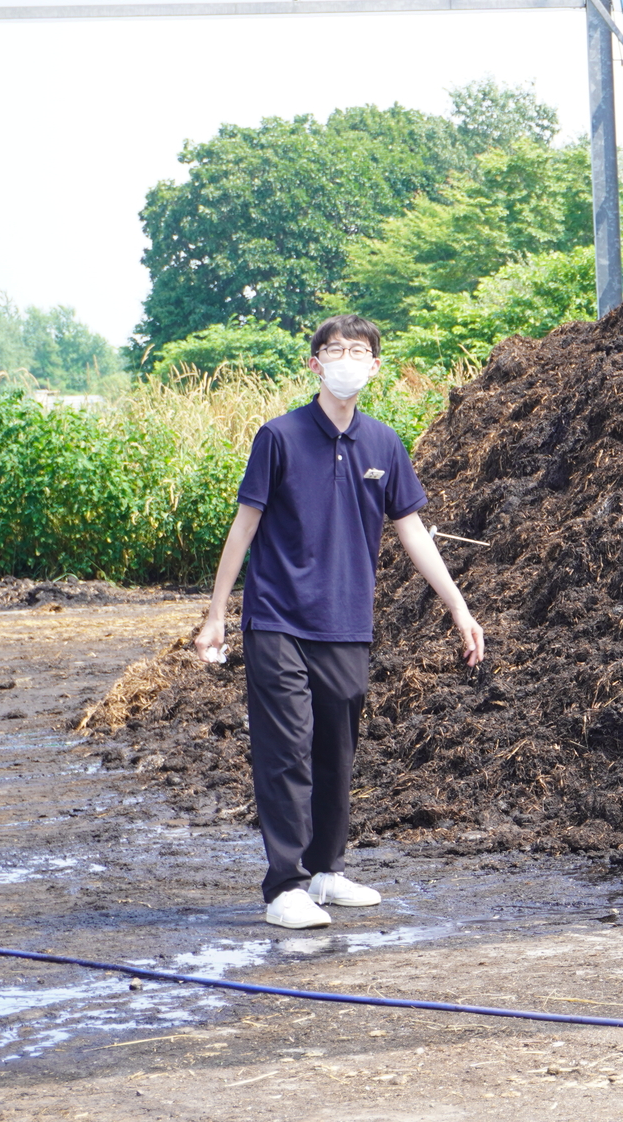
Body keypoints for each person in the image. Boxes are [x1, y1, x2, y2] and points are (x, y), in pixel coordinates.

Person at [193, 315, 485, 929]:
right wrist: (217, 614)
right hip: (277, 619)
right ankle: (285, 888)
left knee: (336, 751)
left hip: (347, 622)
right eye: (334, 350)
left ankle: (325, 871)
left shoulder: (383, 444)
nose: (346, 360)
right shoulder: (278, 437)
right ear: (315, 364)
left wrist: (458, 607)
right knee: (286, 750)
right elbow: (244, 527)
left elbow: (412, 531)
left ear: (375, 366)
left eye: (358, 351)